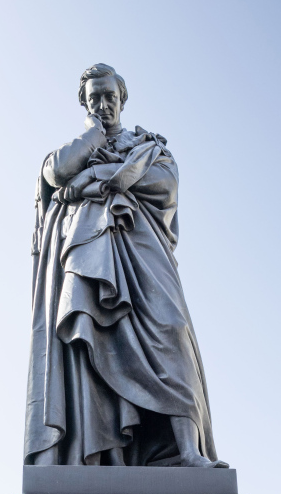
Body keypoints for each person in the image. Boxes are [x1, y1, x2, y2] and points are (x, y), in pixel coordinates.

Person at [25, 63, 228, 468]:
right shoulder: (78, 145)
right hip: (86, 250)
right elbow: (55, 172)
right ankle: (105, 454)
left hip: (140, 246)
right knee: (90, 339)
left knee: (172, 328)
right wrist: (92, 137)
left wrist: (97, 175)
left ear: (123, 99)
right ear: (85, 103)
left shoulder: (147, 145)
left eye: (110, 96)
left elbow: (164, 183)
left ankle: (187, 451)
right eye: (94, 97)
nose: (103, 104)